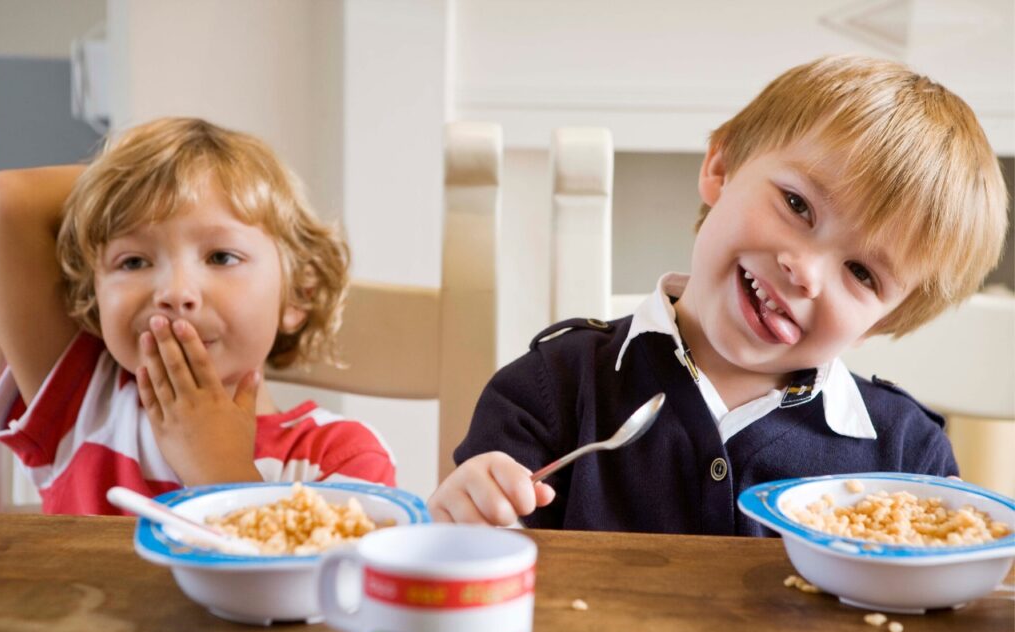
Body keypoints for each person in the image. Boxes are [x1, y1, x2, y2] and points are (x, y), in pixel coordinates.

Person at [428, 55, 1008, 534]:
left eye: (860, 273)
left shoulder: (908, 457)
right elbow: (473, 567)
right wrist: (470, 519)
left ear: (885, 320)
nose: (804, 272)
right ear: (721, 167)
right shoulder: (549, 389)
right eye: (798, 205)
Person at [0, 117, 395, 514]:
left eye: (221, 257)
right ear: (94, 298)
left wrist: (218, 470)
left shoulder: (341, 456)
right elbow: (6, 200)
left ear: (297, 295)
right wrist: (134, 177)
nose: (175, 293)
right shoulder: (82, 401)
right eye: (133, 261)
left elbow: (323, 580)